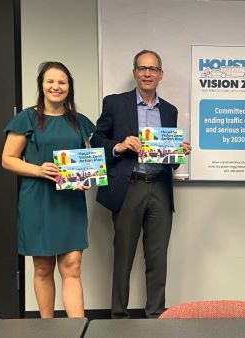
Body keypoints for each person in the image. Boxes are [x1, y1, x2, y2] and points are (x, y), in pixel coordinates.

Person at [90, 50, 191, 319]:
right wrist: (120, 145)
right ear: (135, 72)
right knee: (123, 258)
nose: (148, 73)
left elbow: (171, 160)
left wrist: (178, 152)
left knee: (157, 259)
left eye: (153, 69)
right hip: (128, 187)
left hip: (160, 187)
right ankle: (118, 318)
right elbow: (97, 140)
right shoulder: (115, 103)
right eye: (142, 68)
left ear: (161, 74)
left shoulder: (170, 110)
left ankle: (156, 317)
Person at [2, 62, 96, 317]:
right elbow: (7, 158)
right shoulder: (26, 118)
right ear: (41, 85)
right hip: (38, 200)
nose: (56, 87)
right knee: (43, 268)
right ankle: (47, 328)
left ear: (69, 87)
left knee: (72, 267)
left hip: (70, 202)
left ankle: (77, 328)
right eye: (50, 82)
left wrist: (87, 177)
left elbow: (89, 160)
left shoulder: (80, 121)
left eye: (62, 82)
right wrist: (38, 169)